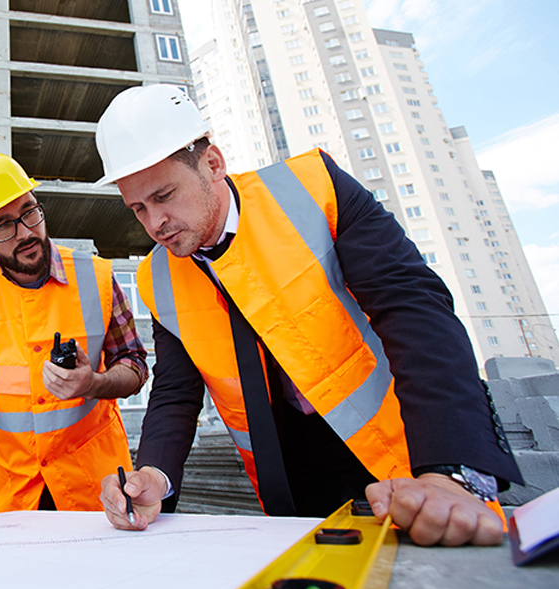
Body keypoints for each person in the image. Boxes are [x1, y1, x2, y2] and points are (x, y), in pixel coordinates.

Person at [93, 84, 522, 547]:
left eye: (164, 195)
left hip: (404, 456)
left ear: (213, 164)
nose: (154, 222)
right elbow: (175, 392)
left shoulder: (314, 189)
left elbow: (413, 309)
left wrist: (449, 468)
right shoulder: (157, 277)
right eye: (138, 208)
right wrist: (154, 475)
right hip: (289, 481)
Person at [0, 153, 149, 528]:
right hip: (15, 495)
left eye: (29, 212)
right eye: (3, 226)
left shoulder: (97, 277)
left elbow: (134, 366)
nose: (25, 233)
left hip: (97, 490)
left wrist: (94, 383)